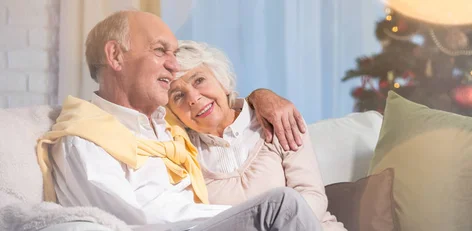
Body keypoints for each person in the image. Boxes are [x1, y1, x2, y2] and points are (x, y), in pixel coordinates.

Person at [36, 10, 322, 231]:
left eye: (173, 54)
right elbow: (131, 219)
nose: (173, 65)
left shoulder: (164, 128)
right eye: (160, 51)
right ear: (115, 56)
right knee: (280, 205)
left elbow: (220, 109)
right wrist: (252, 214)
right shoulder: (84, 138)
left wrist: (262, 96)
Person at [166, 40, 346, 231]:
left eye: (199, 80)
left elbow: (312, 195)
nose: (193, 98)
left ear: (222, 81)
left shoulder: (277, 118)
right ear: (173, 113)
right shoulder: (181, 156)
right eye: (178, 96)